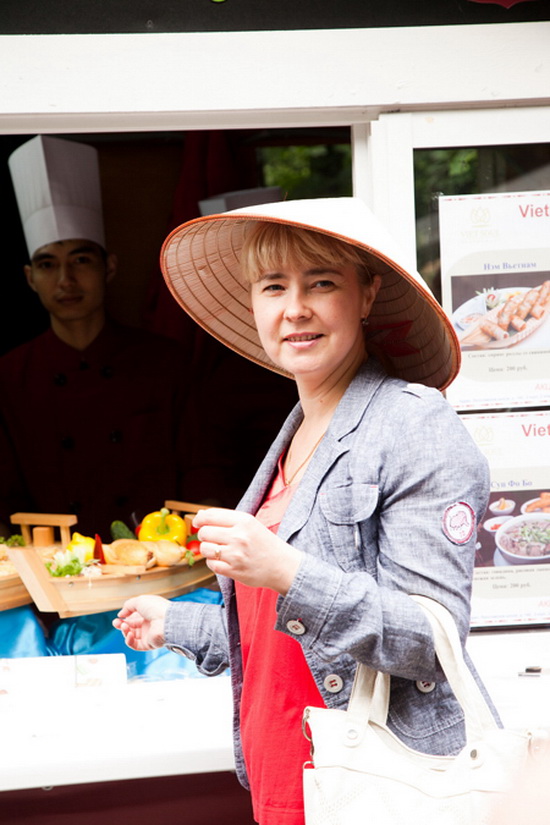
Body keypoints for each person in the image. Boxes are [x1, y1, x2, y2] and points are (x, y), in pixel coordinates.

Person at [113, 197, 496, 824]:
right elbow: (284, 639)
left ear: (367, 296)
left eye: (321, 283)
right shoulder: (293, 434)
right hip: (283, 780)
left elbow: (430, 641)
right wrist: (178, 623)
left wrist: (287, 570)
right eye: (273, 286)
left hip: (379, 793)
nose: (295, 308)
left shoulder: (412, 423)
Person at [0, 135, 190, 540]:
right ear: (30, 278)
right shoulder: (9, 376)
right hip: (49, 566)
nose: (66, 280)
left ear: (110, 267)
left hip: (157, 561)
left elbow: (201, 469)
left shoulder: (165, 363)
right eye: (47, 265)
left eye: (81, 260)